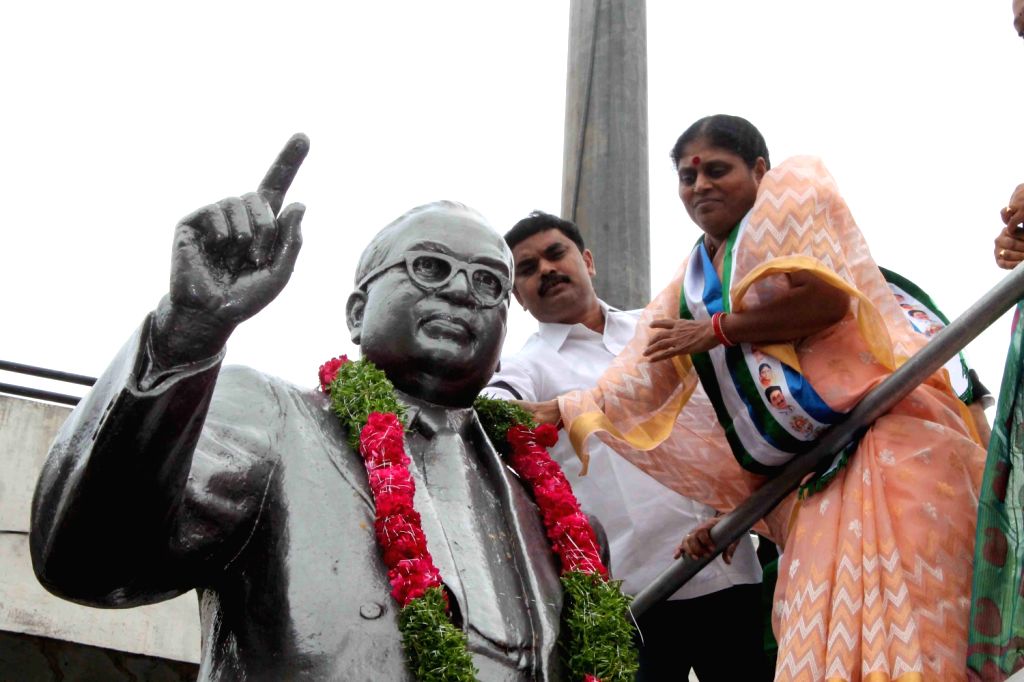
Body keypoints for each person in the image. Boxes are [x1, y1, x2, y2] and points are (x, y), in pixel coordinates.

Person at [30, 135, 574, 680]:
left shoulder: (556, 515)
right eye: (430, 268)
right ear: (358, 312)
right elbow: (91, 563)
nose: (460, 292)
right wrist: (188, 333)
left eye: (488, 283)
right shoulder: (268, 417)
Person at [524, 115, 987, 680]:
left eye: (717, 170)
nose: (700, 187)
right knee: (824, 655)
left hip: (889, 443)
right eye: (688, 178)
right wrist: (561, 410)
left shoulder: (792, 193)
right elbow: (638, 381)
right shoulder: (692, 278)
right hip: (821, 479)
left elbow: (825, 304)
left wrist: (719, 330)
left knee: (914, 640)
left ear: (759, 170)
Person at [485, 211, 767, 681]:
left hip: (731, 565)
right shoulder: (525, 370)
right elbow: (491, 410)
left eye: (556, 254)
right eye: (528, 269)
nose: (547, 270)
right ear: (517, 297)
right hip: (637, 599)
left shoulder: (657, 328)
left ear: (587, 260)